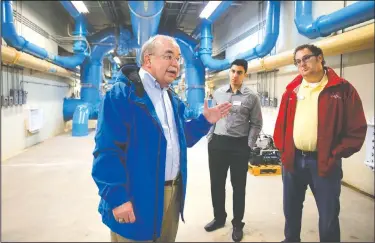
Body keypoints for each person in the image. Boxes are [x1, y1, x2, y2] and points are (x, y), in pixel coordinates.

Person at [91, 35, 232, 242]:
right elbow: (107, 151)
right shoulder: (121, 95)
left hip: (172, 193)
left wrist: (204, 121)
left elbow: (182, 138)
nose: (175, 64)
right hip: (137, 194)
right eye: (168, 56)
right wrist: (117, 198)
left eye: (177, 58)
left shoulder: (171, 98)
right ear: (148, 60)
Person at [273, 44, 367, 242]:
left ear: (320, 57)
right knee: (290, 209)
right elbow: (280, 124)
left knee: (328, 214)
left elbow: (357, 129)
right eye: (298, 61)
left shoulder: (342, 89)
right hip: (293, 159)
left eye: (306, 58)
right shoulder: (292, 90)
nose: (302, 64)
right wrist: (283, 150)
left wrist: (336, 153)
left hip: (324, 162)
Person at [205, 59, 263, 242]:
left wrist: (249, 145)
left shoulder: (251, 97)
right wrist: (210, 136)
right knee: (216, 184)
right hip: (218, 144)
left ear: (245, 74)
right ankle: (219, 218)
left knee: (238, 187)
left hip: (239, 146)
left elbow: (256, 123)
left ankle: (237, 223)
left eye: (239, 72)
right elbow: (212, 116)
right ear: (229, 72)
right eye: (232, 71)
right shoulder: (219, 92)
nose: (235, 75)